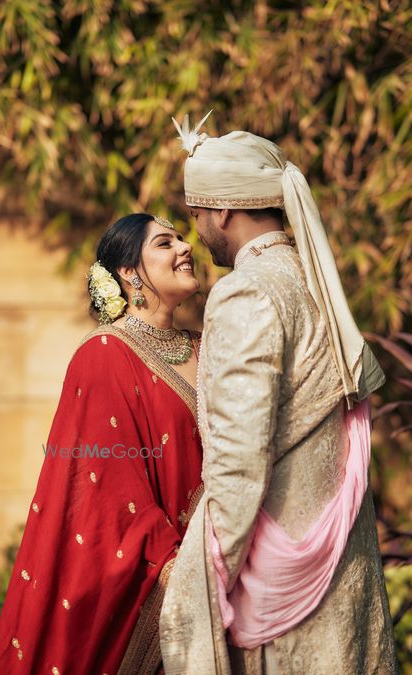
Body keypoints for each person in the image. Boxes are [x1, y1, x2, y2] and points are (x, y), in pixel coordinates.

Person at [159, 121, 398, 674]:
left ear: (223, 210)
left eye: (196, 215)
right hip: (347, 562)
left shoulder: (246, 291)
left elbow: (239, 460)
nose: (197, 233)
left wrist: (203, 577)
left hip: (285, 588)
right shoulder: (313, 278)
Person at [0, 213, 204, 675]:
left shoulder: (210, 347)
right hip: (174, 576)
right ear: (128, 273)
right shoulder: (105, 353)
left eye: (182, 238)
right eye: (165, 243)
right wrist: (180, 565)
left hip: (233, 563)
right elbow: (107, 487)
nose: (185, 247)